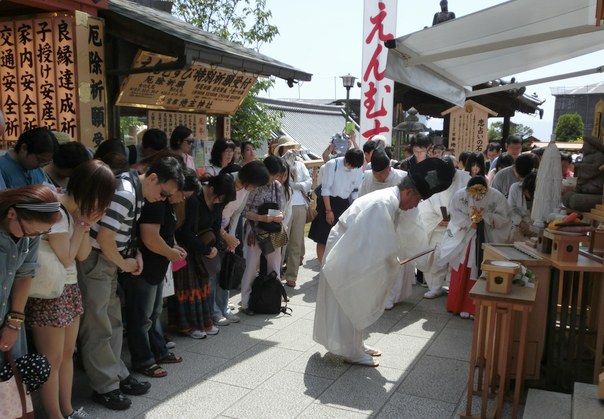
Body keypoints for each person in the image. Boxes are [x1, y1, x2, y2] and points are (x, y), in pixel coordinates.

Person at [313, 158, 454, 366]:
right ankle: (350, 351)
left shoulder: (391, 201)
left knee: (359, 297)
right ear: (408, 193)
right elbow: (376, 243)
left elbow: (386, 238)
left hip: (352, 249)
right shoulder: (383, 203)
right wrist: (392, 260)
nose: (414, 206)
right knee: (349, 298)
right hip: (346, 251)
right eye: (416, 201)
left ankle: (356, 343)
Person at [77, 156, 184, 411]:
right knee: (99, 326)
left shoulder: (134, 190)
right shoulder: (126, 193)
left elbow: (118, 234)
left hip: (107, 261)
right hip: (98, 261)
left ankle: (116, 374)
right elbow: (104, 238)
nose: (162, 199)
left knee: (112, 322)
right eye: (163, 193)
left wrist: (130, 255)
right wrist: (124, 263)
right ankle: (105, 386)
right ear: (153, 178)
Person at [26, 160, 115, 419]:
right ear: (92, 192)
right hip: (49, 294)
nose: (105, 205)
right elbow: (67, 257)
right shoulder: (54, 211)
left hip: (67, 289)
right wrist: (84, 224)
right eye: (104, 197)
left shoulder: (72, 212)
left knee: (66, 355)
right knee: (51, 360)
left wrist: (84, 225)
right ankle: (55, 415)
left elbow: (83, 254)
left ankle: (67, 410)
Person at [124, 167, 200, 379]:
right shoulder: (156, 203)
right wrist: (171, 252)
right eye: (182, 195)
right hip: (145, 266)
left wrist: (173, 247)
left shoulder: (166, 204)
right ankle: (143, 360)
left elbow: (167, 233)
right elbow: (149, 237)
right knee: (141, 317)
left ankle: (158, 351)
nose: (180, 200)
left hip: (157, 266)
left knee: (154, 313)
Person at [0, 185, 62, 368]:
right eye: (31, 232)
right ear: (11, 213)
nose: (34, 237)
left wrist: (14, 323)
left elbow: (25, 274)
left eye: (41, 233)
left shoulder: (30, 236)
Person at [438, 176, 512, 319]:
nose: (477, 197)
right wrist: (468, 222)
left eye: (481, 193)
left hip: (485, 236)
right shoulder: (460, 195)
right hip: (465, 236)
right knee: (462, 267)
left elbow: (505, 217)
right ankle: (457, 305)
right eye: (473, 193)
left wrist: (486, 218)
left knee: (479, 268)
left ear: (487, 188)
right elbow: (454, 213)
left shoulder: (496, 196)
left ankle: (473, 308)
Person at [173, 173, 236, 336]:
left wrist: (214, 245)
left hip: (203, 247)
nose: (219, 202)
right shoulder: (194, 198)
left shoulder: (219, 202)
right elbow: (185, 230)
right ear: (212, 188)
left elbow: (216, 225)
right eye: (219, 198)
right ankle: (189, 326)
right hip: (187, 248)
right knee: (189, 288)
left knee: (203, 287)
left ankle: (204, 322)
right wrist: (206, 249)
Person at [358, 147, 409, 309]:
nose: (379, 177)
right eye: (376, 173)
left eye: (382, 173)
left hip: (397, 225)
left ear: (389, 168)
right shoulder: (367, 177)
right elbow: (361, 201)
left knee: (393, 261)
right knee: (374, 262)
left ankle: (391, 296)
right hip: (373, 226)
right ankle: (375, 294)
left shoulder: (402, 178)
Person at [418, 157, 471, 299]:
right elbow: (425, 202)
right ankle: (435, 286)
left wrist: (456, 220)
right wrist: (437, 219)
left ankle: (453, 285)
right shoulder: (432, 178)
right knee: (436, 255)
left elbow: (472, 204)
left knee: (457, 255)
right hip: (438, 223)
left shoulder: (466, 179)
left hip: (460, 226)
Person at [308, 148, 364, 264]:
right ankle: (323, 266)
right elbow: (326, 189)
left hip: (344, 203)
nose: (352, 168)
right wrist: (329, 211)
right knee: (323, 237)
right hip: (328, 202)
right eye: (350, 166)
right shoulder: (332, 165)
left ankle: (335, 265)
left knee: (340, 237)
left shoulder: (357, 168)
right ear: (346, 160)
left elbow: (355, 191)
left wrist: (354, 208)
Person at [273, 135, 312, 288]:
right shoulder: (278, 164)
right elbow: (279, 181)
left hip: (299, 205)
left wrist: (297, 185)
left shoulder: (300, 165)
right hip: (283, 206)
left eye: (292, 148)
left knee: (296, 241)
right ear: (281, 149)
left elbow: (308, 182)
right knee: (280, 241)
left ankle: (291, 275)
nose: (290, 151)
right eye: (287, 147)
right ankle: (275, 271)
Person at [508, 171, 538, 242]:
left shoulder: (540, 196)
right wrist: (521, 223)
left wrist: (531, 229)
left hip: (534, 228)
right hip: (518, 226)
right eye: (527, 192)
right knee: (514, 232)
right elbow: (511, 209)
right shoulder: (515, 188)